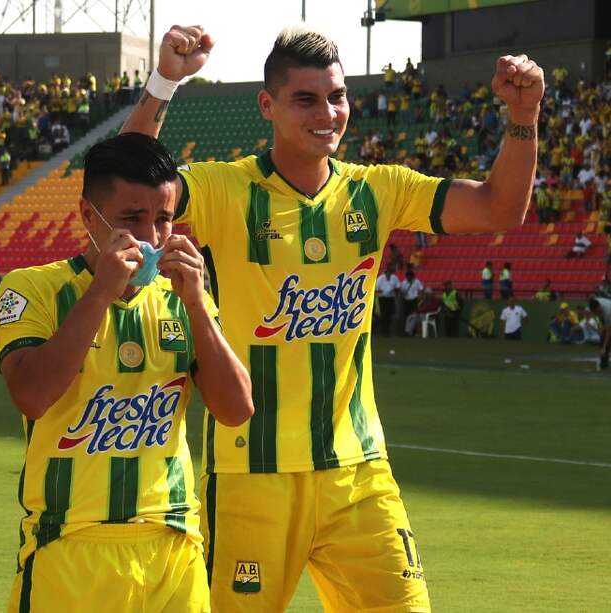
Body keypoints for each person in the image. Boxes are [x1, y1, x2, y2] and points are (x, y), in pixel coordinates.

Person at [122, 24, 543, 612]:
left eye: (337, 96)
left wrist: (523, 116)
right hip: (253, 474)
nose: (328, 112)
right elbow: (126, 189)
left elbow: (500, 207)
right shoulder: (224, 188)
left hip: (359, 474)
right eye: (306, 99)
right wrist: (166, 80)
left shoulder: (380, 190)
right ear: (267, 105)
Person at [0, 133, 254, 612]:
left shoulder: (184, 297)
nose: (152, 238)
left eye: (164, 219)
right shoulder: (31, 288)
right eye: (132, 220)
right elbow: (31, 395)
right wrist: (100, 294)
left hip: (174, 548)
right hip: (70, 545)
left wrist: (197, 305)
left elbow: (237, 409)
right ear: (89, 218)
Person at [375, 265, 400, 336]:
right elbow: (377, 289)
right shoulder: (380, 279)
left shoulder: (394, 278)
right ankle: (383, 331)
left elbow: (398, 287)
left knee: (389, 315)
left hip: (390, 298)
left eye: (390, 273)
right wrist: (382, 291)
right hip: (382, 298)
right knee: (383, 315)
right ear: (385, 273)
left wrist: (394, 291)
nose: (388, 274)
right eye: (387, 273)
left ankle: (387, 331)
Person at [587, 296, 611, 369]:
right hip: (606, 317)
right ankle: (603, 362)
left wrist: (604, 347)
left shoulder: (608, 312)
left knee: (606, 339)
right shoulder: (594, 303)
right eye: (595, 312)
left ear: (599, 307)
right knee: (603, 335)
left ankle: (604, 356)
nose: (597, 313)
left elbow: (609, 332)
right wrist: (601, 328)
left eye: (597, 311)